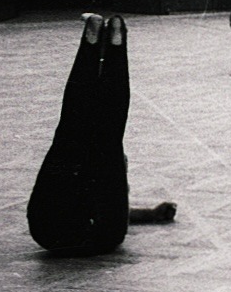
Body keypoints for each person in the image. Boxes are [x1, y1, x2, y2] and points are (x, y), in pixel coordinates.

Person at [28, 14, 177, 256]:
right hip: (93, 234)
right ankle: (108, 44)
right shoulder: (107, 195)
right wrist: (151, 214)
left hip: (53, 231)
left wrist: (150, 214)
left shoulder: (105, 191)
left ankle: (108, 44)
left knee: (83, 126)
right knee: (87, 130)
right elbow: (114, 208)